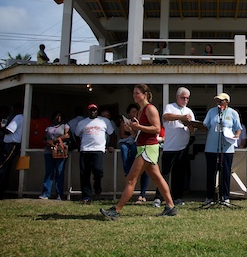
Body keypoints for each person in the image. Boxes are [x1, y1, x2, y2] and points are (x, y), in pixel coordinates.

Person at [100, 84, 177, 220]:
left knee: (131, 179)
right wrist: (132, 129)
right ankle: (170, 207)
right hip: (144, 147)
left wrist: (138, 126)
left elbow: (156, 129)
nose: (134, 95)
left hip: (148, 147)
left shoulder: (150, 109)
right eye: (134, 93)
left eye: (137, 93)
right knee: (158, 178)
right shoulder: (141, 111)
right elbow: (140, 133)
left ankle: (116, 210)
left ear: (145, 94)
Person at [152, 87, 196, 207]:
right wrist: (181, 118)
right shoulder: (170, 107)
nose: (185, 100)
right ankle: (158, 198)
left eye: (187, 98)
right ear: (177, 97)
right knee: (165, 174)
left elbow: (192, 130)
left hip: (183, 148)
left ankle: (177, 197)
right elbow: (166, 117)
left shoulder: (189, 111)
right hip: (170, 147)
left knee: (179, 175)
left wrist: (190, 124)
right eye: (183, 98)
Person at [201, 92, 242, 205]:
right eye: (217, 100)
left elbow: (238, 128)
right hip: (211, 147)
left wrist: (236, 136)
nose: (218, 103)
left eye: (221, 101)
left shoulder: (232, 113)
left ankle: (225, 197)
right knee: (211, 173)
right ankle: (210, 197)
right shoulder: (212, 112)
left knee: (225, 173)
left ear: (226, 102)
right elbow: (206, 126)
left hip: (226, 148)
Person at [75, 103, 114, 203]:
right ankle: (86, 196)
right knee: (84, 174)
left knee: (98, 170)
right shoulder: (82, 123)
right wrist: (78, 146)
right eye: (91, 110)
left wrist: (111, 145)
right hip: (85, 149)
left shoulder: (104, 121)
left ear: (97, 111)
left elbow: (112, 133)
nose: (93, 112)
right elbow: (76, 135)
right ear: (88, 112)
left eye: (95, 110)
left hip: (98, 149)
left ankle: (97, 186)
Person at [0, 102, 24, 200]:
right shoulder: (21, 117)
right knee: (4, 168)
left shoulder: (18, 117)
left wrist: (3, 124)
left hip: (11, 145)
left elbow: (8, 130)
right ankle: (0, 192)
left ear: (16, 108)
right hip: (9, 145)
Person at [39, 111, 70, 200]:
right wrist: (48, 142)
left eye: (60, 115)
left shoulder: (65, 126)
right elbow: (43, 138)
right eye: (57, 115)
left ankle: (59, 194)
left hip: (60, 150)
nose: (58, 117)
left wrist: (56, 140)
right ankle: (46, 193)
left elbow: (67, 135)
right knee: (49, 172)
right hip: (49, 150)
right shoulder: (49, 127)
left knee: (59, 172)